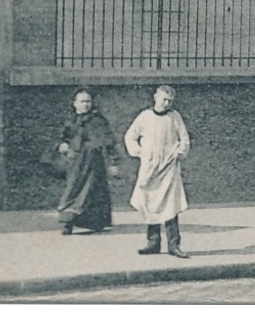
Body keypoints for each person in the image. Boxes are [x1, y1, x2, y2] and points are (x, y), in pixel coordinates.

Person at [124, 84, 192, 257]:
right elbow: (130, 136)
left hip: (169, 168)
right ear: (155, 97)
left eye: (170, 100)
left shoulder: (174, 117)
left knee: (170, 206)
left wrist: (179, 152)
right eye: (164, 99)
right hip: (150, 170)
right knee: (150, 205)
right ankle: (153, 243)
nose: (166, 103)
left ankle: (174, 245)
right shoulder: (145, 117)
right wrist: (140, 153)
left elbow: (184, 139)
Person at [55, 89, 119, 234]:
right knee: (73, 190)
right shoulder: (70, 120)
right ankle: (67, 222)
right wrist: (62, 144)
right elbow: (63, 137)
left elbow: (109, 142)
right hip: (75, 163)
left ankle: (95, 223)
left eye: (88, 101)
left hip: (94, 163)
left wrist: (113, 163)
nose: (85, 105)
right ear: (75, 103)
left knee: (93, 191)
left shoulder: (98, 120)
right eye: (82, 101)